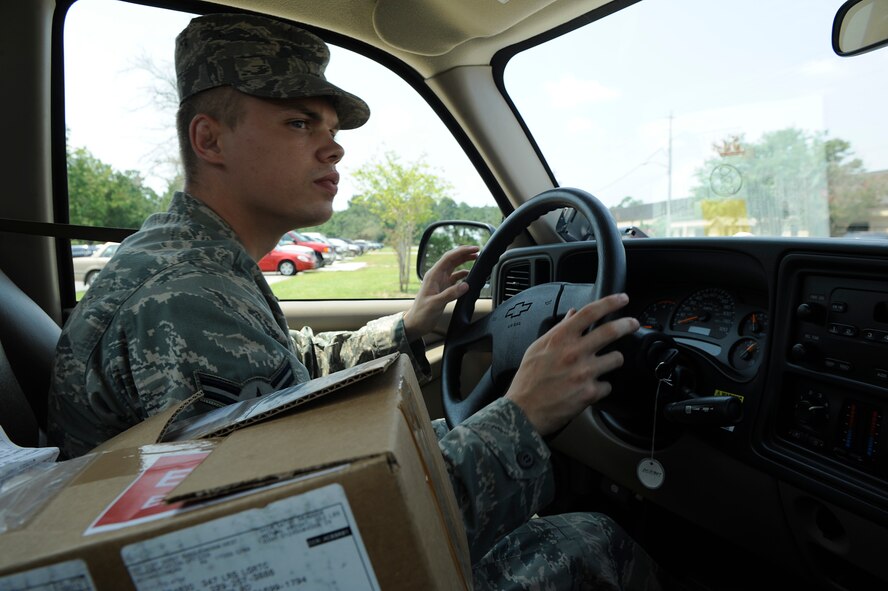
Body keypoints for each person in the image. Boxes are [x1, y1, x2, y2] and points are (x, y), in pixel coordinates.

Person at [47, 13, 662, 590]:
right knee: (594, 540)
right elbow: (302, 541)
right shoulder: (184, 298)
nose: (333, 148)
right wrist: (524, 413)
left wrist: (407, 328)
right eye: (299, 123)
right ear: (210, 139)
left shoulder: (197, 262)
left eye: (332, 131)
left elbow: (285, 377)